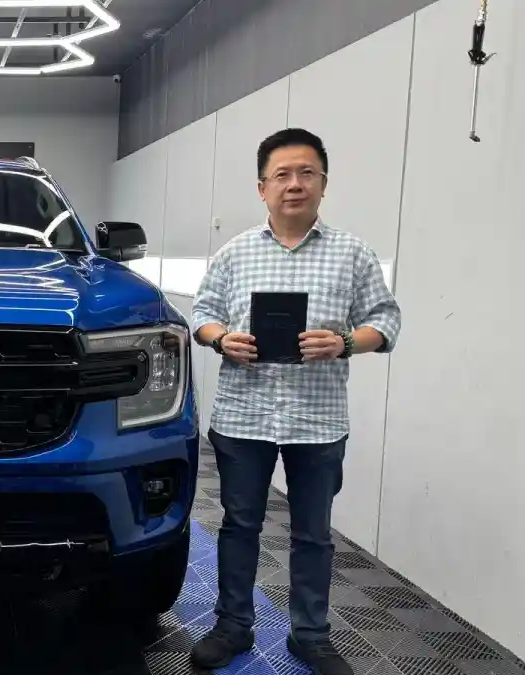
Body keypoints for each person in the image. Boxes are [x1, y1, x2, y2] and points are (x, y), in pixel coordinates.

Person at [188, 128, 402, 675]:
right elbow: (202, 313)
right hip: (244, 415)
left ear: (323, 184)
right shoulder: (235, 252)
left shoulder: (353, 254)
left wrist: (345, 342)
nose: (294, 184)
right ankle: (232, 626)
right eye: (281, 175)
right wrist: (221, 339)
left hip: (318, 419)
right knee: (239, 526)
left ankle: (310, 634)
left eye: (307, 173)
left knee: (313, 534)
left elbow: (386, 320)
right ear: (262, 188)